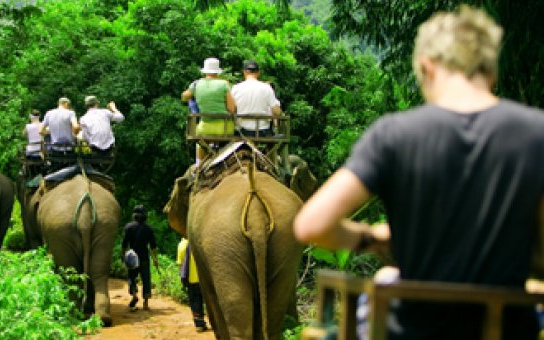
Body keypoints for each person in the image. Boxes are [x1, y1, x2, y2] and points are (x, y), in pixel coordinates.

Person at [294, 6, 543, 340]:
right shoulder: (535, 132)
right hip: (506, 332)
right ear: (491, 72)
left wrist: (370, 237)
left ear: (427, 67)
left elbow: (311, 224)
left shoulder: (394, 134)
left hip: (411, 332)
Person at [181, 57, 236, 167]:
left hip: (205, 129)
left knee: (200, 144)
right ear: (217, 71)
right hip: (225, 129)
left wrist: (193, 96)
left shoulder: (196, 84)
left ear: (205, 71)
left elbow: (184, 97)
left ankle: (199, 165)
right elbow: (232, 109)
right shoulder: (224, 84)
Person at [122, 205, 160, 311]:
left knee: (131, 277)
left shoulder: (128, 227)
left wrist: (123, 255)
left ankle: (134, 295)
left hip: (132, 257)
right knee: (146, 279)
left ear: (134, 215)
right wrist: (156, 260)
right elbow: (153, 246)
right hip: (144, 257)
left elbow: (124, 244)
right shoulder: (148, 229)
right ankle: (146, 303)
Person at [231, 60, 281, 137]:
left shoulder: (236, 88)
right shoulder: (267, 88)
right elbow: (277, 111)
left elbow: (232, 109)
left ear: (244, 72)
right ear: (258, 73)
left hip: (241, 132)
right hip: (262, 132)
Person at [177, 238, 208, 332]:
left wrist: (182, 279)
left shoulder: (182, 245)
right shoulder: (201, 240)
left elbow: (180, 264)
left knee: (195, 300)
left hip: (191, 279)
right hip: (205, 278)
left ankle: (199, 324)